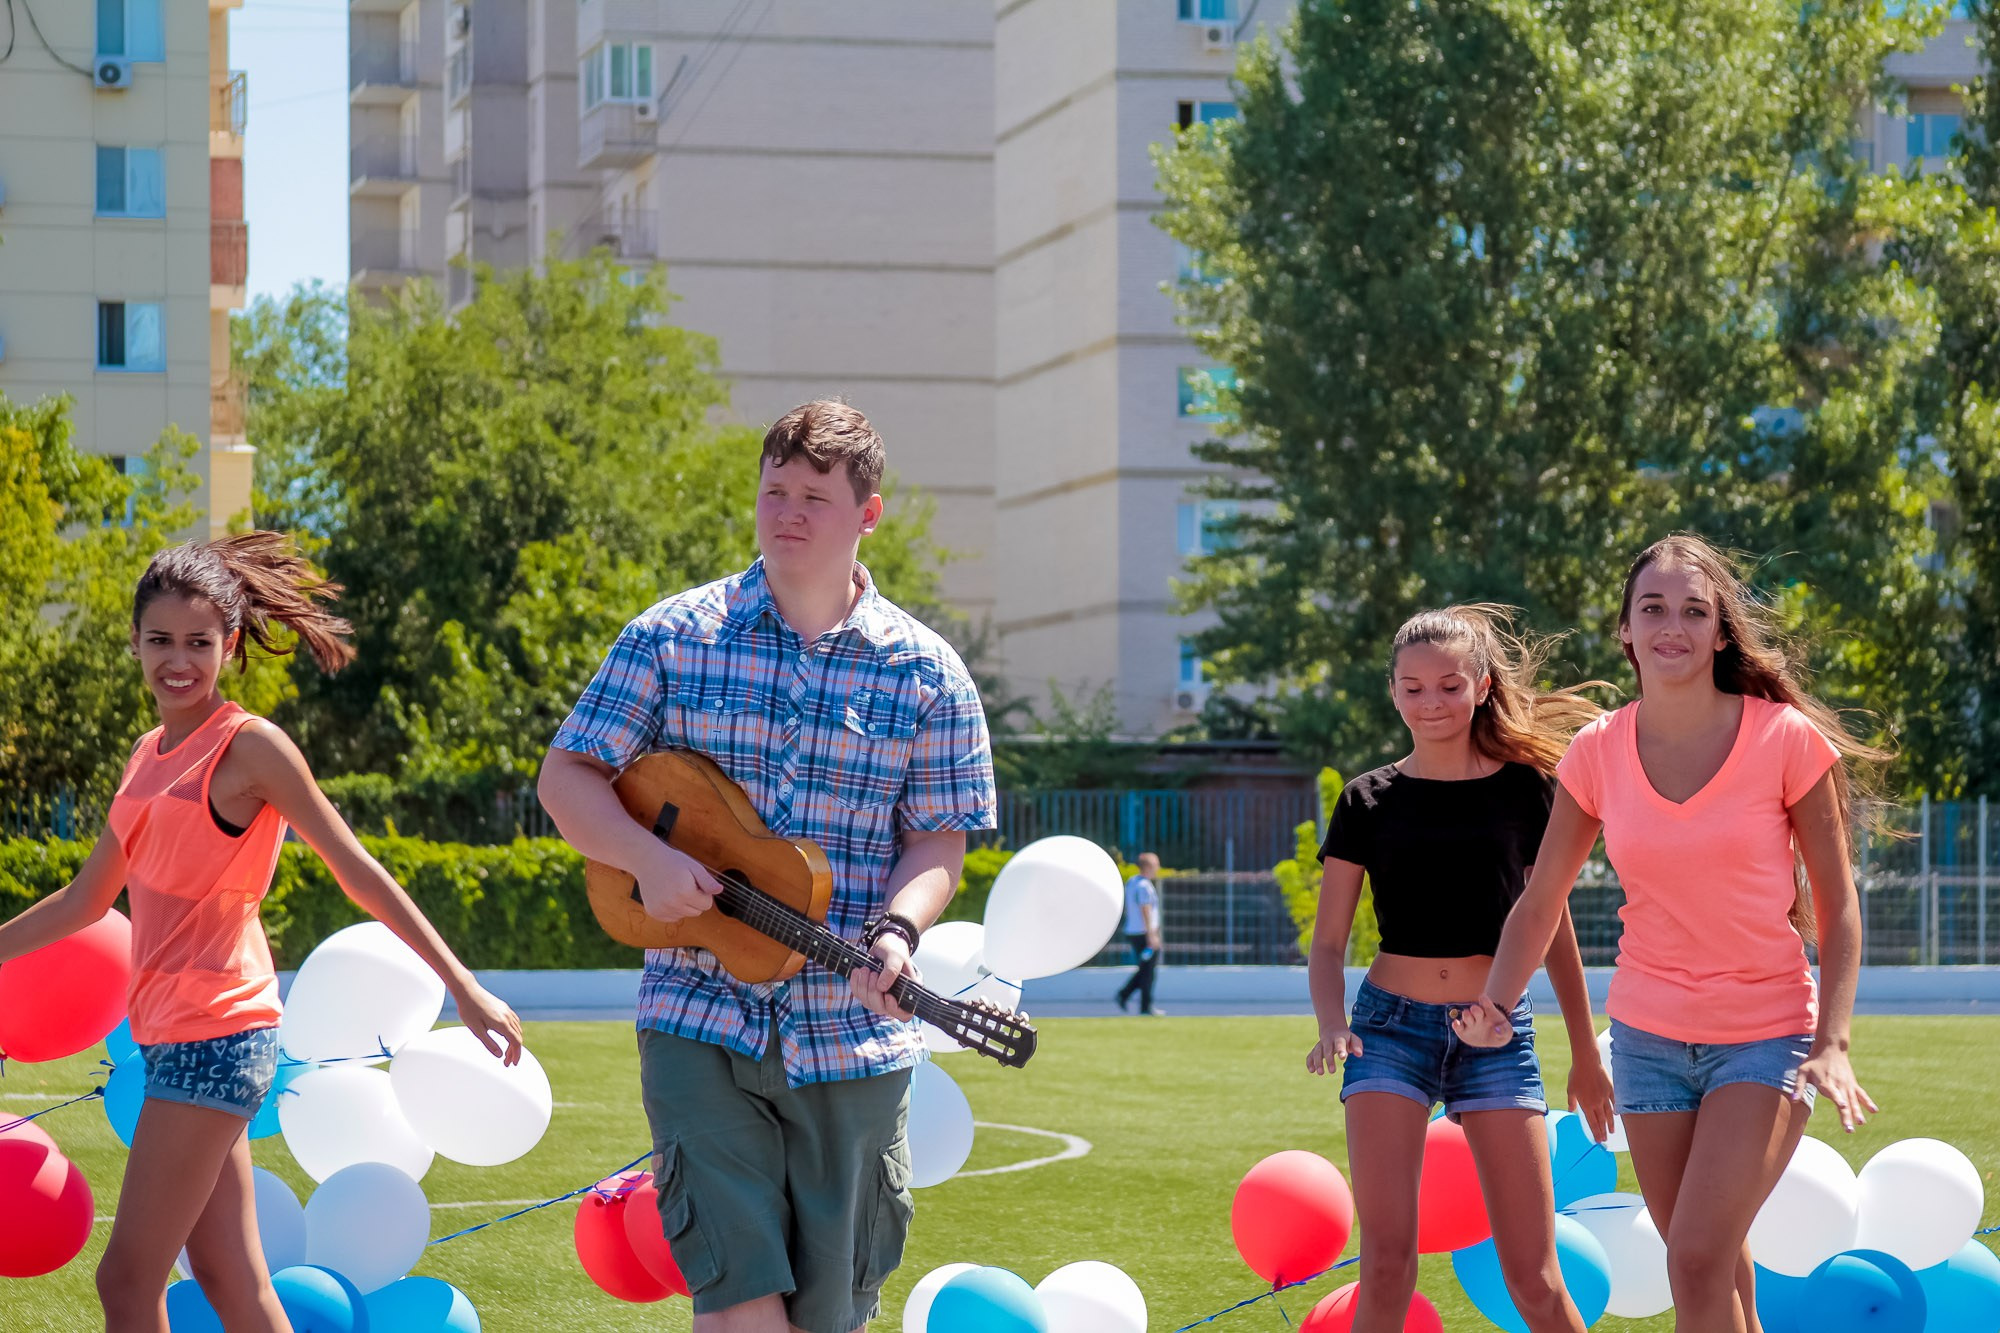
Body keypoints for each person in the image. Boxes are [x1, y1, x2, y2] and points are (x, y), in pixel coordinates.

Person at [538, 400, 997, 1333]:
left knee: (831, 1315)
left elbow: (940, 838)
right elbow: (567, 775)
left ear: (869, 513)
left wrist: (899, 933)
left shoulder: (927, 671)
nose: (786, 511)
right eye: (774, 490)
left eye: (814, 497)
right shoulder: (670, 635)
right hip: (694, 1015)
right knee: (738, 1302)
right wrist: (643, 856)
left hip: (851, 1037)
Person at [0, 533, 523, 1333]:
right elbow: (86, 899)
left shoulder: (250, 747)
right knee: (230, 1278)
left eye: (199, 643)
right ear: (135, 642)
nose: (179, 661)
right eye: (161, 640)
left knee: (126, 1279)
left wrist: (464, 984)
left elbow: (357, 869)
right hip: (174, 1038)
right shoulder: (149, 755)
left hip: (219, 1035)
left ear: (230, 644)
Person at [1454, 535, 1879, 1333]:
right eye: (1652, 608)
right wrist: (1494, 1004)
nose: (1671, 625)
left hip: (1766, 1034)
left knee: (1691, 1257)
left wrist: (1836, 1039)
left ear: (1721, 632)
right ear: (1625, 628)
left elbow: (1839, 902)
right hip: (1648, 1041)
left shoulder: (1784, 739)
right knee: (1716, 1265)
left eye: (1693, 610)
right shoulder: (1597, 752)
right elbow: (1541, 897)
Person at [1306, 605, 1613, 1333]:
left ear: (1480, 685)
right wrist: (1330, 1021)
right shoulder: (1366, 799)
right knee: (1386, 1264)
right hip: (1387, 1033)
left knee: (1535, 1279)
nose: (1430, 702)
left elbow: (1555, 929)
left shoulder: (1527, 789)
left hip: (1499, 1035)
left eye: (1448, 685)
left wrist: (1583, 1050)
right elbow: (1327, 942)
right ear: (1393, 692)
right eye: (1412, 687)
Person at [1115, 852, 1166, 1015]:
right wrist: (1151, 935)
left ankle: (1125, 994)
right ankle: (1143, 1005)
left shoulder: (1132, 882)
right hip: (1143, 933)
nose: (1157, 868)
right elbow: (1146, 910)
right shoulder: (1144, 885)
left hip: (1134, 931)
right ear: (1147, 866)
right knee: (1148, 972)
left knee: (1145, 970)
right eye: (1155, 864)